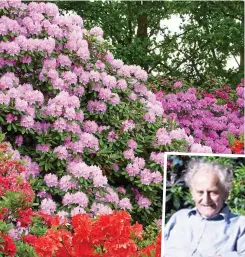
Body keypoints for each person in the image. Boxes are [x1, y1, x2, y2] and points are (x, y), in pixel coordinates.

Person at [164, 159, 245, 257]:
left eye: (213, 192)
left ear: (226, 194)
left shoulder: (240, 225)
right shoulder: (179, 218)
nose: (206, 199)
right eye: (200, 192)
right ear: (192, 193)